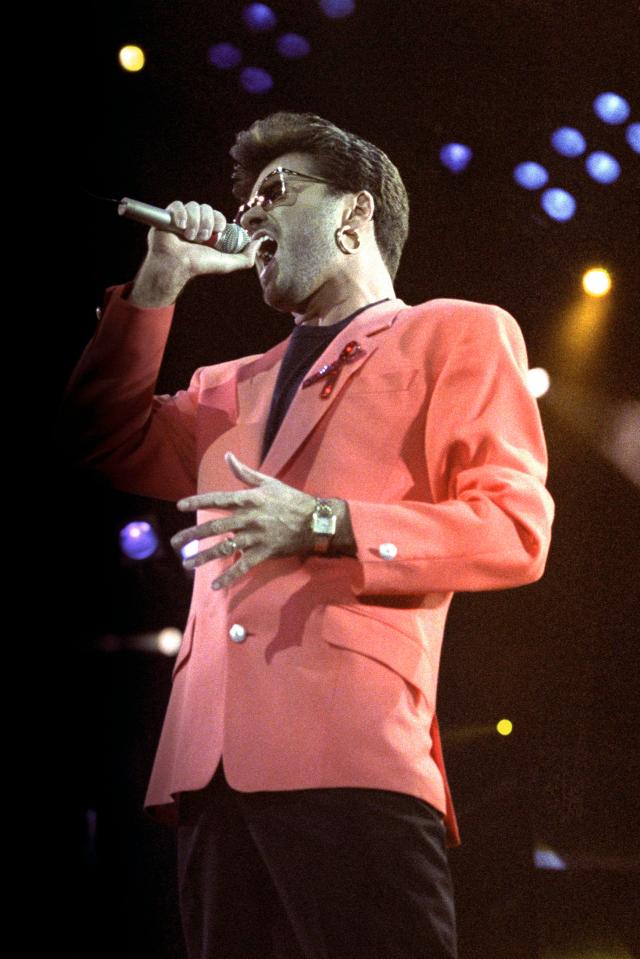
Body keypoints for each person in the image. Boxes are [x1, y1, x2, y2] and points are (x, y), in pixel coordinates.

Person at [59, 111, 555, 959]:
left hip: (353, 754)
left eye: (275, 193)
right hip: (209, 768)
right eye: (246, 201)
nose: (250, 216)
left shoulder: (454, 332)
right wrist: (160, 280)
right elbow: (98, 437)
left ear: (354, 216)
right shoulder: (227, 386)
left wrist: (325, 522)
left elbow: (514, 527)